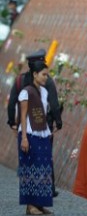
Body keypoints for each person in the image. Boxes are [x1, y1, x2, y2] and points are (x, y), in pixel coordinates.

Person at [7, 49, 63, 197]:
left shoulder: (19, 80)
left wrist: (12, 121)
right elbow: (54, 103)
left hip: (28, 126)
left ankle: (35, 192)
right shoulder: (47, 81)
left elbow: (12, 102)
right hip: (39, 126)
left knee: (30, 158)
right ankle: (46, 189)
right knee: (44, 157)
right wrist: (58, 121)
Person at [18, 61, 56, 215]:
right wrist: (24, 138)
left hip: (43, 134)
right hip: (30, 134)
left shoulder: (45, 92)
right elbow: (23, 115)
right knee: (30, 168)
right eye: (43, 74)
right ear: (34, 74)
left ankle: (40, 204)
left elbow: (44, 114)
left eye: (47, 74)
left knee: (44, 170)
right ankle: (30, 205)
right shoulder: (26, 92)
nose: (46, 77)